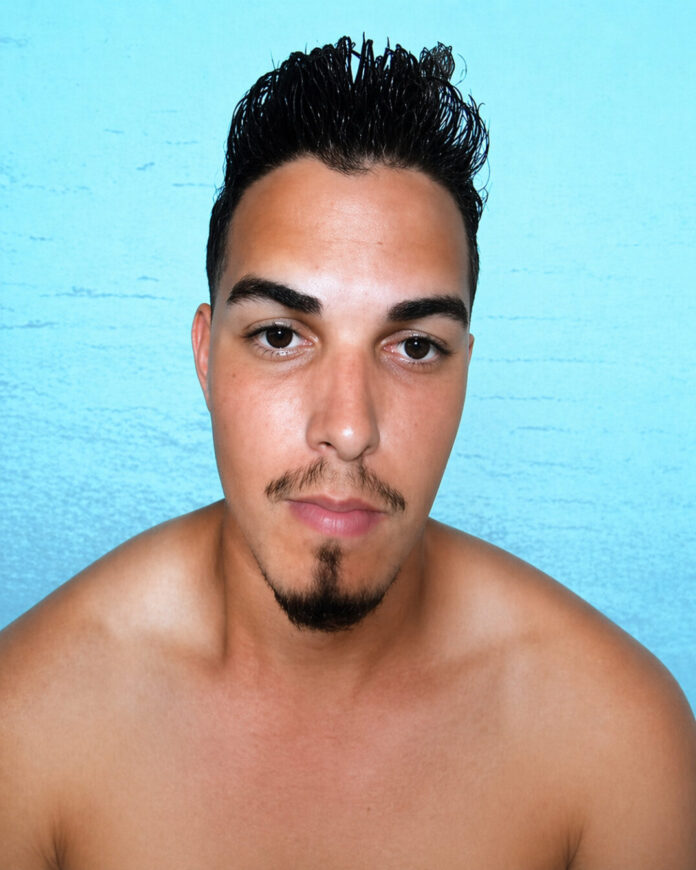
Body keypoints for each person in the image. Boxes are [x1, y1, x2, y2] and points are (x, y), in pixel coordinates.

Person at [1, 35, 694, 869]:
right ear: (206, 357)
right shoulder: (26, 725)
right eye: (281, 335)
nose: (350, 427)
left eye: (415, 348)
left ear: (464, 373)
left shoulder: (618, 739)